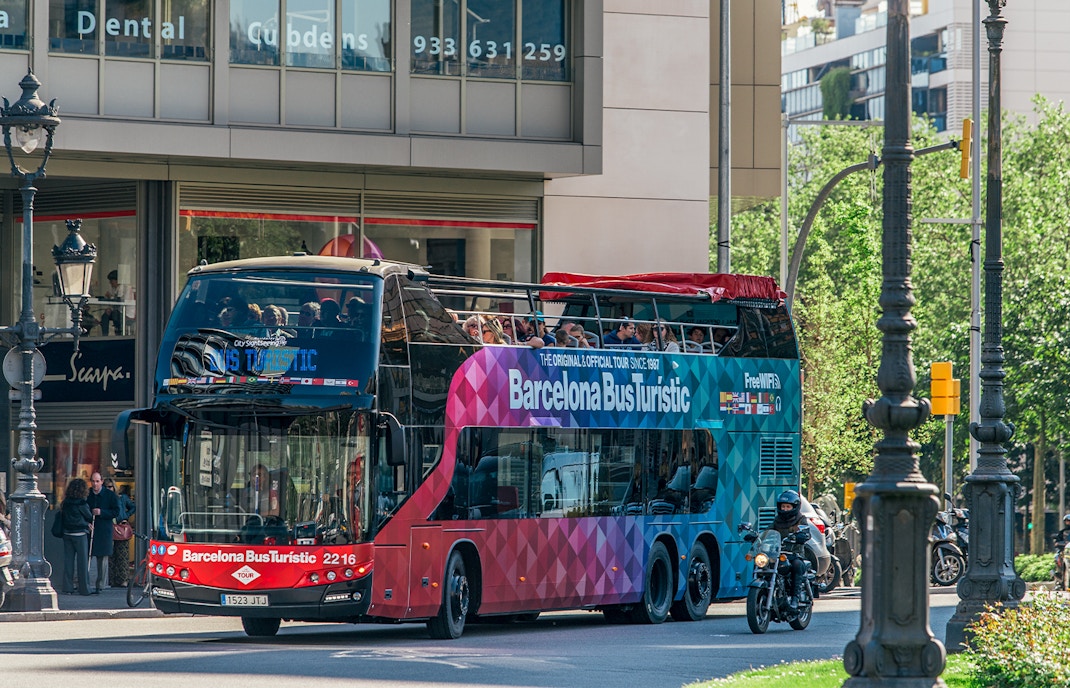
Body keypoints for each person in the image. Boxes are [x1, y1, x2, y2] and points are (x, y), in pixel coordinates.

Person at [771, 489, 808, 606]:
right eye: (783, 506)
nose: (785, 509)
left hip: (794, 554)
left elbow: (806, 532)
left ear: (795, 507)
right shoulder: (777, 520)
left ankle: (795, 599)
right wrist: (757, 536)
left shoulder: (801, 519)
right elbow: (769, 530)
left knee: (797, 565)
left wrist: (801, 536)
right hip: (778, 554)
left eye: (788, 506)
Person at [86, 471, 120, 593]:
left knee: (102, 559)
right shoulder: (87, 494)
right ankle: (85, 582)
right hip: (90, 529)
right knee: (87, 556)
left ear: (101, 482)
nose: (95, 484)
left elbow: (116, 511)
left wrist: (102, 512)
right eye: (93, 481)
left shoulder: (110, 496)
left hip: (104, 530)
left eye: (97, 481)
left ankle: (100, 585)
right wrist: (87, 523)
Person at [59, 478, 93, 596]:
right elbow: (88, 516)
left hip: (67, 534)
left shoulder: (65, 502)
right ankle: (84, 588)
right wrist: (86, 524)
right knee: (82, 562)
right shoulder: (82, 503)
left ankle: (68, 588)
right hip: (80, 534)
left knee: (68, 561)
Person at [105, 479, 135, 587]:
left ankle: (123, 580)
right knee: (110, 556)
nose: (108, 489)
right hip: (109, 528)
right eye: (106, 487)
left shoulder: (121, 498)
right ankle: (111, 579)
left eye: (110, 487)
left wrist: (125, 516)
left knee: (123, 555)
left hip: (120, 527)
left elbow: (133, 507)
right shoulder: (104, 499)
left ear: (114, 487)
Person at [101, 269, 135, 336]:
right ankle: (105, 335)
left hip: (127, 313)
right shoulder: (116, 289)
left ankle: (119, 333)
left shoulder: (125, 288)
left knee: (115, 315)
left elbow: (120, 301)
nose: (110, 283)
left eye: (111, 281)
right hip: (119, 311)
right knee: (105, 316)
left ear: (117, 280)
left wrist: (110, 297)